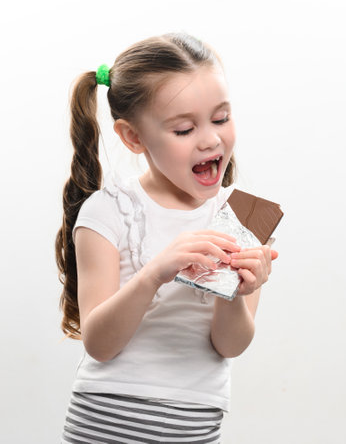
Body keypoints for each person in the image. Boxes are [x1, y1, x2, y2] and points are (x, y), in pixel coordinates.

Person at [55, 32, 278, 444]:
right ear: (133, 138)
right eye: (184, 129)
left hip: (195, 427)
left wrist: (236, 291)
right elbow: (99, 344)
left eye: (221, 118)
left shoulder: (246, 213)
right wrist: (154, 273)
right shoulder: (109, 211)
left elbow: (229, 346)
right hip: (106, 420)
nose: (210, 139)